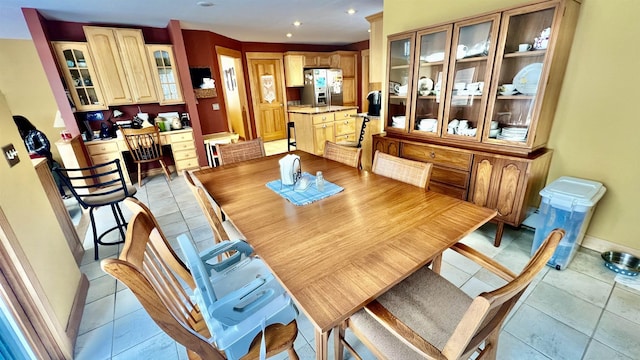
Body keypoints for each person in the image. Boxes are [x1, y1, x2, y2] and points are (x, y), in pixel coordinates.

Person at [12, 115, 70, 199]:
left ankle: (60, 195)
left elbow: (46, 146)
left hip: (45, 160)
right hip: (31, 163)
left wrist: (34, 152)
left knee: (51, 174)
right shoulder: (21, 138)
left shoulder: (35, 133)